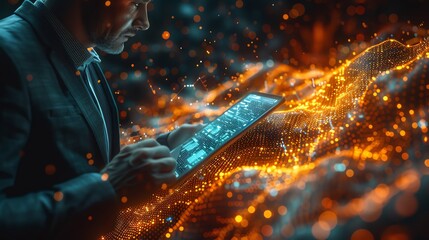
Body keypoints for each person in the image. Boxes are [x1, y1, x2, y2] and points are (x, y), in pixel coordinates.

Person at [0, 0, 202, 239]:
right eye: (136, 4)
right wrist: (108, 188)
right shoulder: (7, 55)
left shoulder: (81, 52)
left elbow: (76, 163)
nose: (144, 22)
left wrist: (165, 147)